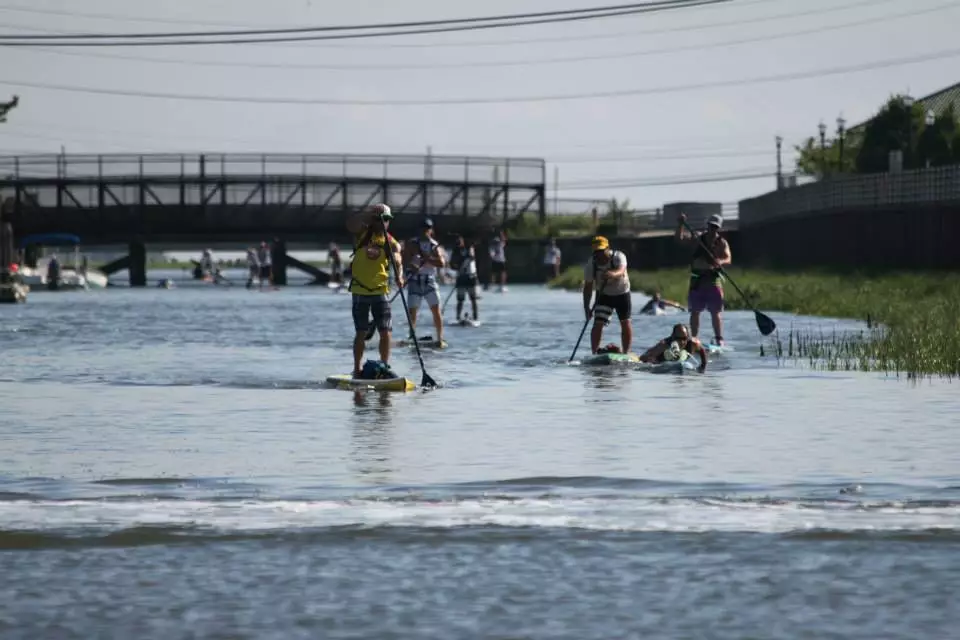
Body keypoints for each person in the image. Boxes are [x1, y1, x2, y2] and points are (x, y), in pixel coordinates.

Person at [346, 203, 403, 379]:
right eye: (382, 219)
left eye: (387, 220)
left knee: (385, 331)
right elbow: (350, 223)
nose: (385, 223)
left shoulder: (389, 241)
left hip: (380, 291)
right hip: (360, 290)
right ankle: (357, 369)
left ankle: (384, 366)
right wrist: (369, 215)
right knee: (361, 332)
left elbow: (398, 255)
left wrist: (399, 276)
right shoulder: (362, 233)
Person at [675, 213, 732, 345]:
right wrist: (680, 225)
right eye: (711, 226)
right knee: (695, 312)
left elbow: (728, 258)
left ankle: (719, 339)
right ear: (707, 225)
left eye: (715, 227)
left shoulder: (721, 243)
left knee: (715, 312)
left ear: (718, 228)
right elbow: (679, 240)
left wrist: (720, 261)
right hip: (697, 281)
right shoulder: (697, 238)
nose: (712, 229)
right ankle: (694, 339)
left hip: (713, 280)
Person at [582, 236, 632, 355]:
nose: (599, 254)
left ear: (607, 248)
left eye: (601, 251)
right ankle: (594, 353)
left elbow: (621, 270)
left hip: (622, 293)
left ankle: (626, 353)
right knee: (598, 323)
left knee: (625, 322)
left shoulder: (619, 256)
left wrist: (611, 274)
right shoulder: (591, 264)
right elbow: (588, 287)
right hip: (604, 295)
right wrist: (586, 308)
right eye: (596, 251)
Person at [403, 218, 446, 343]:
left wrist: (428, 259)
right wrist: (412, 267)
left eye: (427, 229)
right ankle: (412, 337)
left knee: (436, 310)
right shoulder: (412, 244)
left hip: (429, 281)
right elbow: (405, 260)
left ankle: (440, 338)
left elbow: (441, 263)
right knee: (412, 311)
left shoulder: (434, 245)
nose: (425, 232)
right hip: (415, 281)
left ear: (431, 231)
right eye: (423, 229)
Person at [640, 323, 708, 373]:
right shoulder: (664, 345)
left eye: (684, 338)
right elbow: (643, 357)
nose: (681, 342)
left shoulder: (694, 344)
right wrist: (655, 363)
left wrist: (703, 366)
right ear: (673, 337)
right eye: (678, 338)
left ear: (687, 337)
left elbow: (702, 350)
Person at [449, 235, 479, 322]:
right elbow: (452, 264)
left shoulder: (469, 248)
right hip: (461, 277)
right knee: (460, 299)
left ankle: (475, 317)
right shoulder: (455, 251)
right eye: (457, 241)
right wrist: (457, 266)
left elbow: (471, 257)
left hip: (471, 277)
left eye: (459, 241)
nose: (458, 243)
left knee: (473, 299)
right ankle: (458, 317)